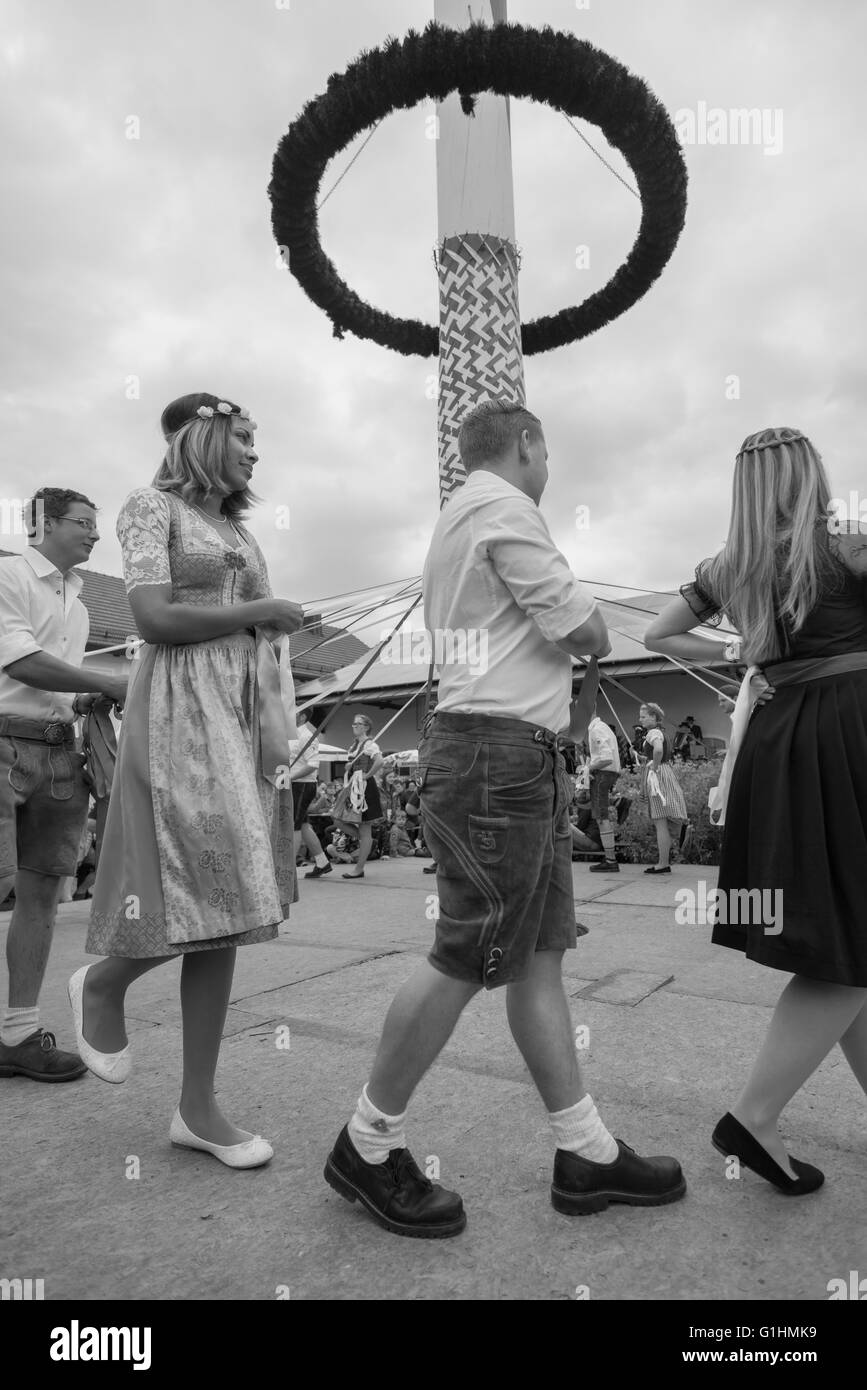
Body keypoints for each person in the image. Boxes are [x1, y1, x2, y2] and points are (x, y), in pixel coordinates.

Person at [323, 399, 685, 1236]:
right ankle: (367, 1142)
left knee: (539, 959)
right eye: (547, 452)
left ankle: (584, 1151)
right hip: (497, 754)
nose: (550, 469)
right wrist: (585, 623)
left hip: (503, 750)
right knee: (464, 953)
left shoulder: (457, 515)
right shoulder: (503, 506)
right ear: (525, 443)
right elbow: (585, 627)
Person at [67, 392, 303, 1168]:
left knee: (235, 901)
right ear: (202, 436)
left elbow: (241, 615)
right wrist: (261, 608)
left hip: (238, 712)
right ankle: (103, 983)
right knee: (206, 882)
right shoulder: (148, 509)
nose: (254, 452)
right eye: (242, 436)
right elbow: (152, 619)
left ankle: (197, 1108)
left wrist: (264, 626)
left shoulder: (236, 526)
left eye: (256, 439)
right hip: (178, 713)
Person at [645, 425, 867, 1196]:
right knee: (849, 940)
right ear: (808, 470)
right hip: (847, 732)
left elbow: (656, 632)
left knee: (845, 944)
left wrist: (743, 652)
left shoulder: (729, 564)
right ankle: (753, 1116)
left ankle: (758, 1122)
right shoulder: (844, 542)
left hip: (778, 737)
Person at [0, 489, 128, 1083]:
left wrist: (81, 697)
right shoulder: (8, 575)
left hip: (57, 749)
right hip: (3, 745)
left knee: (43, 894)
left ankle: (19, 1032)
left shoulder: (76, 602)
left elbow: (49, 684)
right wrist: (110, 680)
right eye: (84, 523)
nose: (95, 535)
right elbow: (20, 663)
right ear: (44, 523)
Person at [636, 702, 688, 873]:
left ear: (653, 717)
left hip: (658, 776)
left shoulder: (653, 732)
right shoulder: (661, 732)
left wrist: (654, 767)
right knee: (661, 821)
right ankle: (664, 862)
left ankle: (663, 863)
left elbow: (658, 750)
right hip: (665, 772)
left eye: (643, 716)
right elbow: (657, 751)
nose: (640, 720)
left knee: (660, 822)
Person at [338, 714, 384, 880]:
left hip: (364, 788)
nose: (354, 726)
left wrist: (367, 775)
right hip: (353, 786)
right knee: (337, 818)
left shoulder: (370, 744)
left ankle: (359, 868)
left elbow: (380, 761)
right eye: (354, 723)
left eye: (358, 724)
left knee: (365, 827)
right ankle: (367, 841)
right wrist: (349, 767)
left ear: (366, 727)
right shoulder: (354, 746)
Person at [288, 720, 332, 880]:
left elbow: (313, 763)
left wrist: (290, 776)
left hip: (302, 785)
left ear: (303, 715)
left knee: (295, 826)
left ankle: (289, 870)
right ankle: (322, 861)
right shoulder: (292, 734)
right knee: (304, 824)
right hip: (297, 784)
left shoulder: (306, 735)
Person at [586, 710, 621, 873]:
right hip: (609, 773)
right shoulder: (603, 726)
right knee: (599, 812)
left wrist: (588, 768)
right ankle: (619, 801)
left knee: (601, 816)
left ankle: (610, 860)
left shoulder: (596, 729)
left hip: (603, 773)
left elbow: (606, 757)